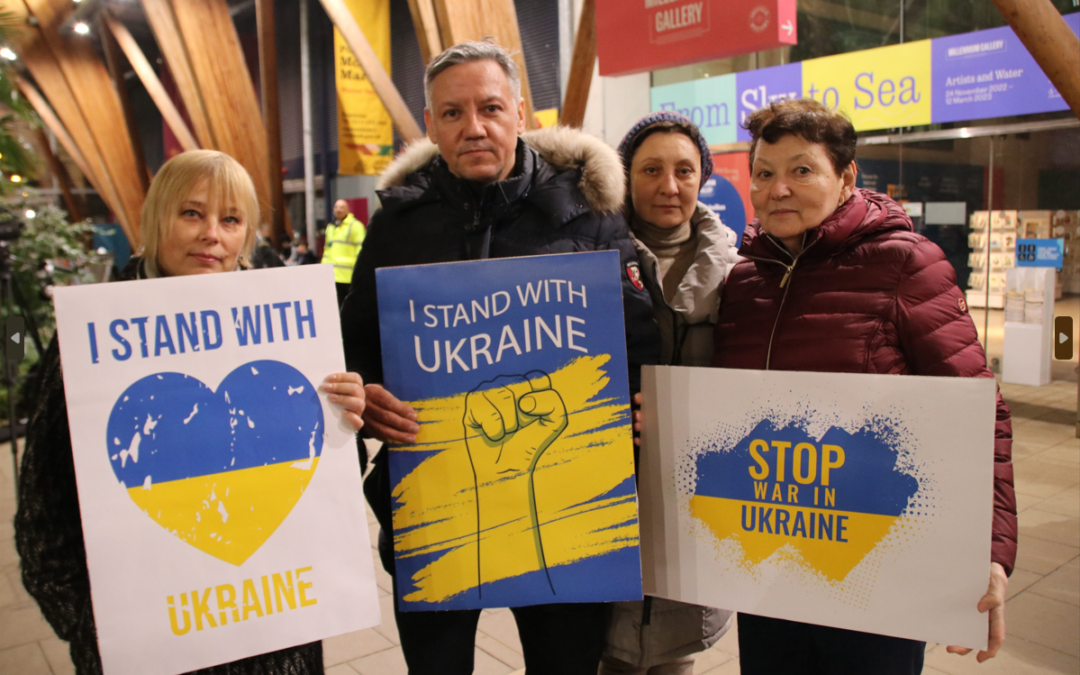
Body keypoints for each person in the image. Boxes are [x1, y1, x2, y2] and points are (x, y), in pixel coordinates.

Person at [339, 40, 659, 675]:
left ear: (520, 112)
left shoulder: (589, 214)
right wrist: (368, 396)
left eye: (490, 107)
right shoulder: (399, 226)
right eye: (452, 113)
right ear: (430, 125)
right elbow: (357, 349)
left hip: (565, 511)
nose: (473, 127)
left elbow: (637, 341)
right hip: (434, 512)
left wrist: (646, 407)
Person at [15, 149, 367, 675]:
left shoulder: (292, 335)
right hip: (150, 648)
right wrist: (94, 628)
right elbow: (42, 520)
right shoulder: (87, 347)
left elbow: (326, 490)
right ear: (156, 218)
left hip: (272, 642)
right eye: (192, 213)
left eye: (230, 219)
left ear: (246, 234)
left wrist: (343, 422)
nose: (211, 235)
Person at [711, 98, 1016, 673]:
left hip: (879, 562)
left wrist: (990, 553)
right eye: (764, 173)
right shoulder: (745, 281)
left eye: (801, 170)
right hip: (774, 556)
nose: (778, 189)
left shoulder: (905, 263)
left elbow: (978, 412)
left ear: (846, 176)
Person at [600, 112, 740, 675]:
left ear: (703, 176)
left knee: (675, 652)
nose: (668, 186)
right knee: (608, 646)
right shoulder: (589, 260)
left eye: (685, 170)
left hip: (698, 494)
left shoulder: (739, 270)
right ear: (626, 177)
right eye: (651, 169)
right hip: (610, 485)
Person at [322, 198, 365, 305]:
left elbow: (360, 250)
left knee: (349, 306)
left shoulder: (355, 226)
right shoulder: (330, 227)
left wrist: (358, 271)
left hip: (348, 276)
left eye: (341, 207)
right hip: (332, 275)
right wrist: (323, 269)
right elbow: (327, 250)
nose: (338, 210)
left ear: (347, 210)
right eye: (336, 207)